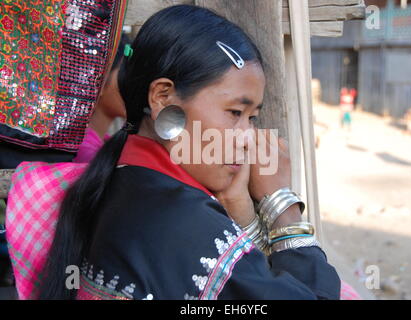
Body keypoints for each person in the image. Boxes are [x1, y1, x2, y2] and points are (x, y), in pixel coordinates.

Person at [37, 5, 340, 300]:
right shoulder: (186, 225)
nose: (248, 137)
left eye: (252, 118)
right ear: (163, 98)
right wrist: (281, 205)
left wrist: (240, 213)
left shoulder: (119, 178)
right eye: (235, 112)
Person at [72, 35, 131, 163]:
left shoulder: (104, 143)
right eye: (125, 75)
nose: (133, 85)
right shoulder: (87, 155)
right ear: (99, 82)